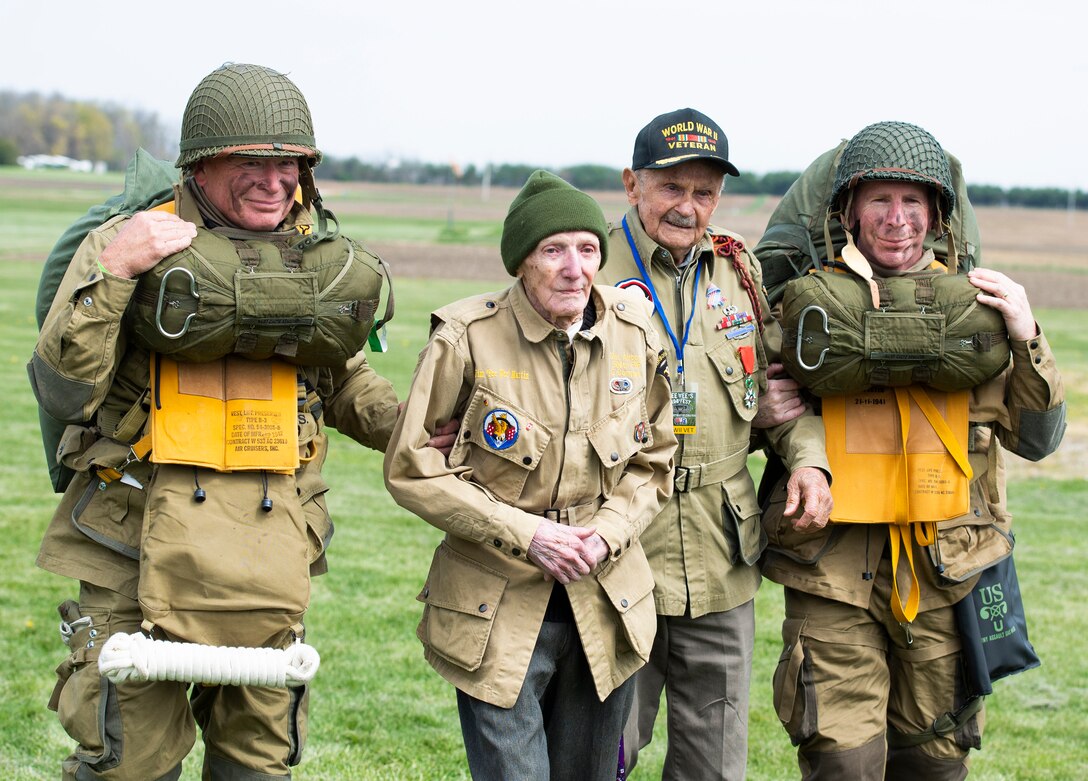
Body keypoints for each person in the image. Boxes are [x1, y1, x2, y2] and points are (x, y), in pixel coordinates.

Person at [27, 63, 453, 780]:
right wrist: (119, 270)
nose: (273, 179)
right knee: (133, 763)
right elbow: (65, 387)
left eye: (288, 163)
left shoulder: (310, 258)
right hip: (133, 547)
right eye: (249, 161)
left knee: (257, 763)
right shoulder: (129, 242)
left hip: (267, 550)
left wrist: (415, 425)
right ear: (199, 165)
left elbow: (341, 378)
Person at [756, 121, 1067, 779]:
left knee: (934, 763)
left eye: (913, 203)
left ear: (938, 215)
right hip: (830, 569)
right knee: (842, 763)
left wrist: (1025, 332)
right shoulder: (809, 312)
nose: (897, 220)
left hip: (947, 566)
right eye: (880, 201)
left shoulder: (979, 315)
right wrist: (766, 411)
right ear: (848, 212)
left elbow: (1039, 439)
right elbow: (753, 415)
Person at [383, 170, 677, 781]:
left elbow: (654, 463)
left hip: (606, 599)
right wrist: (528, 536)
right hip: (496, 606)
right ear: (522, 262)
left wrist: (606, 532)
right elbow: (411, 468)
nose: (575, 268)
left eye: (588, 249)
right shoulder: (466, 338)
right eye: (553, 250)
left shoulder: (635, 333)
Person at [593, 107, 833, 780]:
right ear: (631, 184)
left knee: (714, 767)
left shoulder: (738, 273)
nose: (688, 206)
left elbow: (778, 397)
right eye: (671, 187)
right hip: (617, 553)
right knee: (599, 754)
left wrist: (810, 461)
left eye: (704, 191)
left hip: (721, 554)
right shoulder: (585, 267)